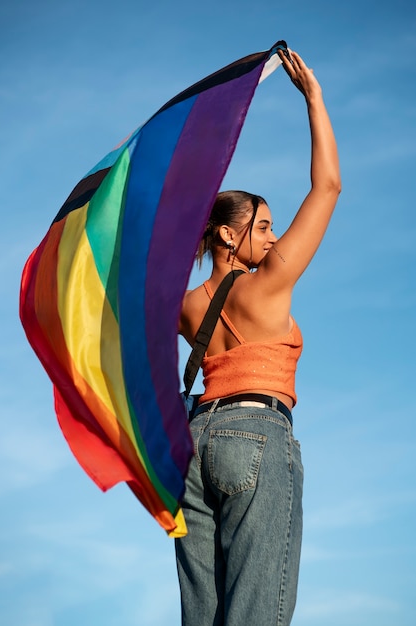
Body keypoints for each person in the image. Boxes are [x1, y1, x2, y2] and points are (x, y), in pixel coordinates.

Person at [175, 48, 341, 626]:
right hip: (257, 436)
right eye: (263, 226)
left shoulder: (184, 307)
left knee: (203, 616)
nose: (272, 240)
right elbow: (327, 188)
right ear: (228, 234)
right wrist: (314, 101)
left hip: (191, 445)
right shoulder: (267, 286)